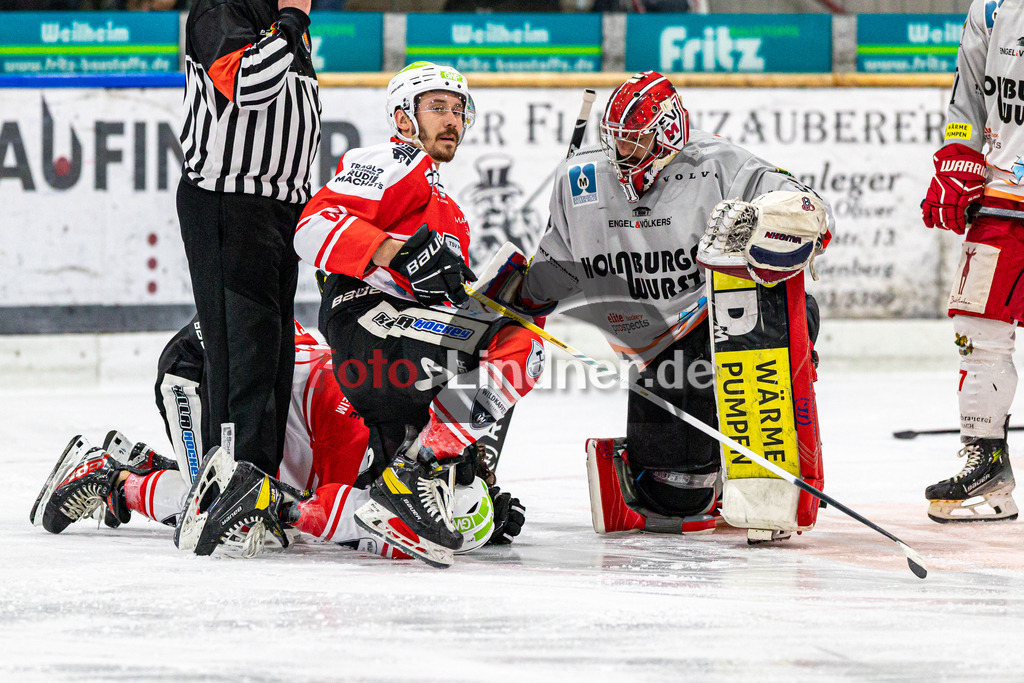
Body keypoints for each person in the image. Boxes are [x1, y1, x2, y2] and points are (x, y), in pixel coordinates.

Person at [482, 71, 833, 537]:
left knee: (776, 312)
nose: (622, 155)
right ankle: (708, 470)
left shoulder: (720, 164)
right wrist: (509, 300)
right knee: (674, 500)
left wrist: (763, 224)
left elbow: (809, 211)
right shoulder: (581, 177)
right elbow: (557, 268)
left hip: (717, 321)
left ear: (667, 132)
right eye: (616, 142)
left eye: (635, 141)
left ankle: (765, 455)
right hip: (650, 346)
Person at [290, 61, 545, 567]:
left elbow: (436, 290)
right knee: (520, 344)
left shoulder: (450, 208)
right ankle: (420, 470)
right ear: (404, 119)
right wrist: (394, 253)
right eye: (437, 108)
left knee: (427, 518)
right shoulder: (392, 159)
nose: (452, 119)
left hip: (400, 354)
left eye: (458, 110)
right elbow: (311, 227)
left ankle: (419, 474)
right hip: (373, 330)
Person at [30, 318, 525, 559]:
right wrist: (441, 538)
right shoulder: (361, 422)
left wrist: (469, 527)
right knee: (232, 511)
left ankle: (139, 469)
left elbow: (362, 518)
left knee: (249, 504)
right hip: (203, 364)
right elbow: (341, 519)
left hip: (247, 384)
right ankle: (112, 478)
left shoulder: (396, 437)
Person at [176, 0, 321, 479]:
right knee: (245, 358)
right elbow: (247, 83)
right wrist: (292, 20)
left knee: (272, 357)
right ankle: (236, 488)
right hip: (230, 203)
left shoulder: (279, 22)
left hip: (278, 211)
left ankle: (258, 482)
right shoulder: (224, 6)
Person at [920, 0, 1020, 523]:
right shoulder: (990, 9)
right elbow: (968, 102)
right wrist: (959, 158)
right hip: (1004, 196)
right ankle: (988, 467)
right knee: (977, 334)